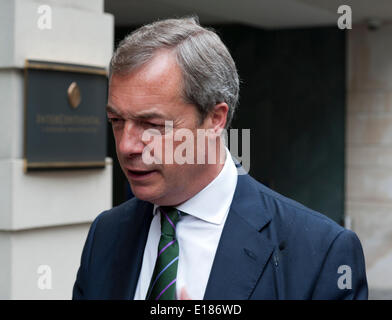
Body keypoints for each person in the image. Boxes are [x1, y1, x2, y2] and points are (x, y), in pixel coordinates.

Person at [72, 17, 368, 300]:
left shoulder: (321, 253)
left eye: (152, 125)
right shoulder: (106, 233)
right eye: (116, 120)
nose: (126, 146)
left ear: (215, 119)